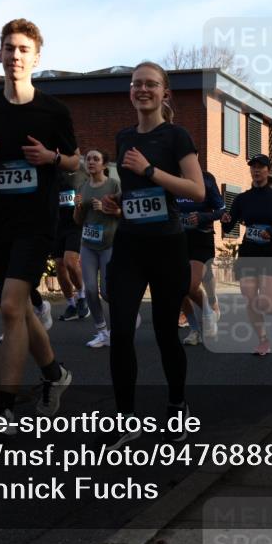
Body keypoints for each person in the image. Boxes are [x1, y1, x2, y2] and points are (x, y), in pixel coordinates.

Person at [0, 18, 78, 427]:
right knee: (21, 308)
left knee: (10, 305)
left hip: (36, 221)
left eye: (24, 49)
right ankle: (54, 374)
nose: (16, 56)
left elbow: (77, 161)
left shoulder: (53, 110)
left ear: (37, 57)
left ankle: (4, 405)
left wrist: (52, 159)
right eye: (9, 48)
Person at [100, 61, 204, 449]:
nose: (142, 89)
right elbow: (138, 195)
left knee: (164, 333)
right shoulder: (124, 136)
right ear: (131, 91)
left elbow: (197, 191)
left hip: (167, 245)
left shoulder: (176, 136)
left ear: (164, 93)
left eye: (151, 84)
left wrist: (149, 171)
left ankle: (177, 405)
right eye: (136, 84)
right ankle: (125, 417)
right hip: (129, 245)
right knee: (122, 331)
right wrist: (120, 202)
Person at [220, 154, 272, 356]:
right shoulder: (242, 199)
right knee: (250, 297)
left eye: (260, 167)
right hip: (249, 253)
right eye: (253, 167)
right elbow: (229, 225)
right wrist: (225, 219)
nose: (256, 170)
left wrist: (271, 230)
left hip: (271, 255)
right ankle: (263, 340)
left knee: (264, 303)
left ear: (268, 171)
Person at [73, 149, 121, 347]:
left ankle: (127, 313)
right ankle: (102, 332)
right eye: (88, 159)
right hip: (88, 245)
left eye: (96, 159)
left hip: (109, 243)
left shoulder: (114, 185)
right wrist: (78, 208)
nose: (91, 162)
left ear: (104, 165)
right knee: (91, 290)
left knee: (107, 291)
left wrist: (107, 209)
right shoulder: (82, 187)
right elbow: (77, 221)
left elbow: (123, 213)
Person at [177, 170, 225, 346]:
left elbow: (221, 210)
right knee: (179, 289)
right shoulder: (169, 177)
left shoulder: (206, 179)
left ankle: (209, 309)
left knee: (190, 285)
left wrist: (202, 217)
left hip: (201, 238)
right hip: (178, 239)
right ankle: (195, 330)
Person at [55, 166, 90, 322]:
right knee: (59, 265)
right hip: (57, 226)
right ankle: (71, 304)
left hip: (75, 225)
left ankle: (82, 296)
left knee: (70, 261)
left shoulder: (81, 172)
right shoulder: (48, 170)